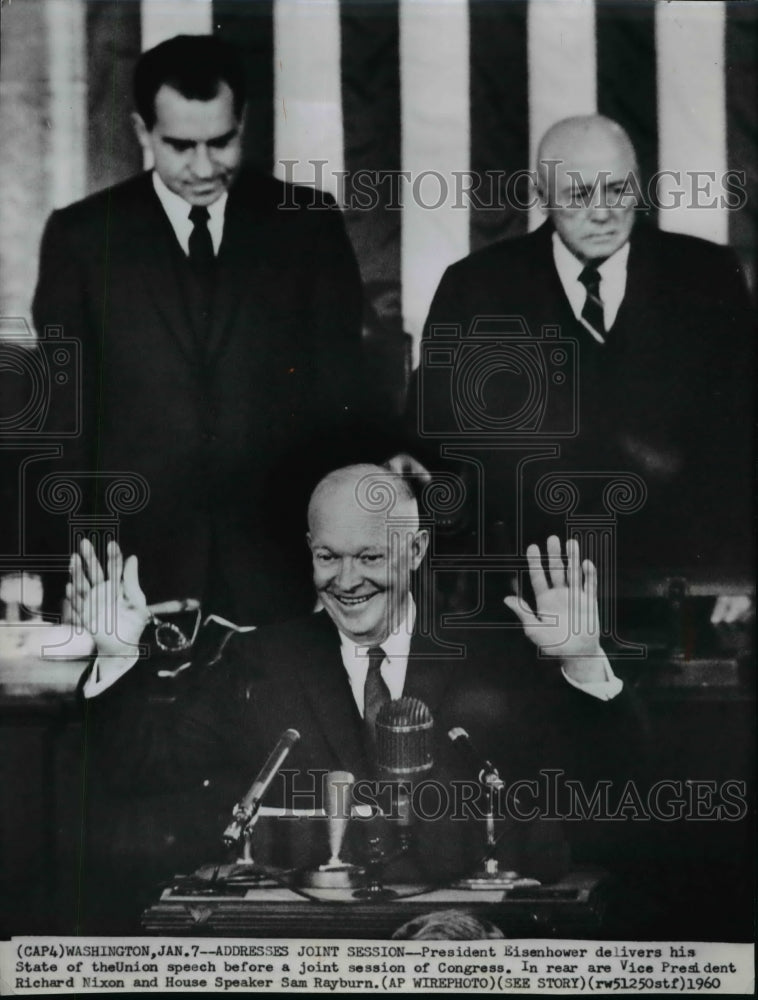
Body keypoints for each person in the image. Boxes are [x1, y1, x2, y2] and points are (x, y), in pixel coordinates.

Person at [73, 463, 647, 910]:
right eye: (328, 557)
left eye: (370, 556)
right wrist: (118, 657)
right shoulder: (260, 661)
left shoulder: (492, 660)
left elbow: (612, 788)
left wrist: (584, 660)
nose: (347, 581)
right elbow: (137, 771)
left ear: (417, 550)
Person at [30, 34, 365, 625]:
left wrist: (337, 562)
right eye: (181, 146)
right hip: (131, 570)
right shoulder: (80, 239)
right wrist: (77, 576)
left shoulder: (307, 228)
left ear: (244, 123)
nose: (204, 167)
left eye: (222, 142)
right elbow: (63, 426)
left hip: (283, 567)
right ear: (141, 132)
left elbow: (339, 406)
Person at [408, 115, 753, 623]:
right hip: (521, 590)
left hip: (687, 587)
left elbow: (743, 441)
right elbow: (430, 446)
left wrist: (741, 572)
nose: (602, 213)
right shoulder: (476, 288)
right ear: (540, 193)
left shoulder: (708, 278)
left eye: (618, 190)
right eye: (577, 195)